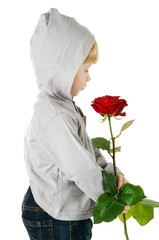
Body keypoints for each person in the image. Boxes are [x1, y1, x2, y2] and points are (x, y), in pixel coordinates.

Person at [21, 8, 130, 240]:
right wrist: (113, 199)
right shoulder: (55, 117)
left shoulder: (61, 104)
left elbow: (87, 152)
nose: (89, 78)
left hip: (58, 206)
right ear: (63, 69)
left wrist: (114, 174)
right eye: (85, 70)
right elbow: (82, 169)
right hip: (57, 215)